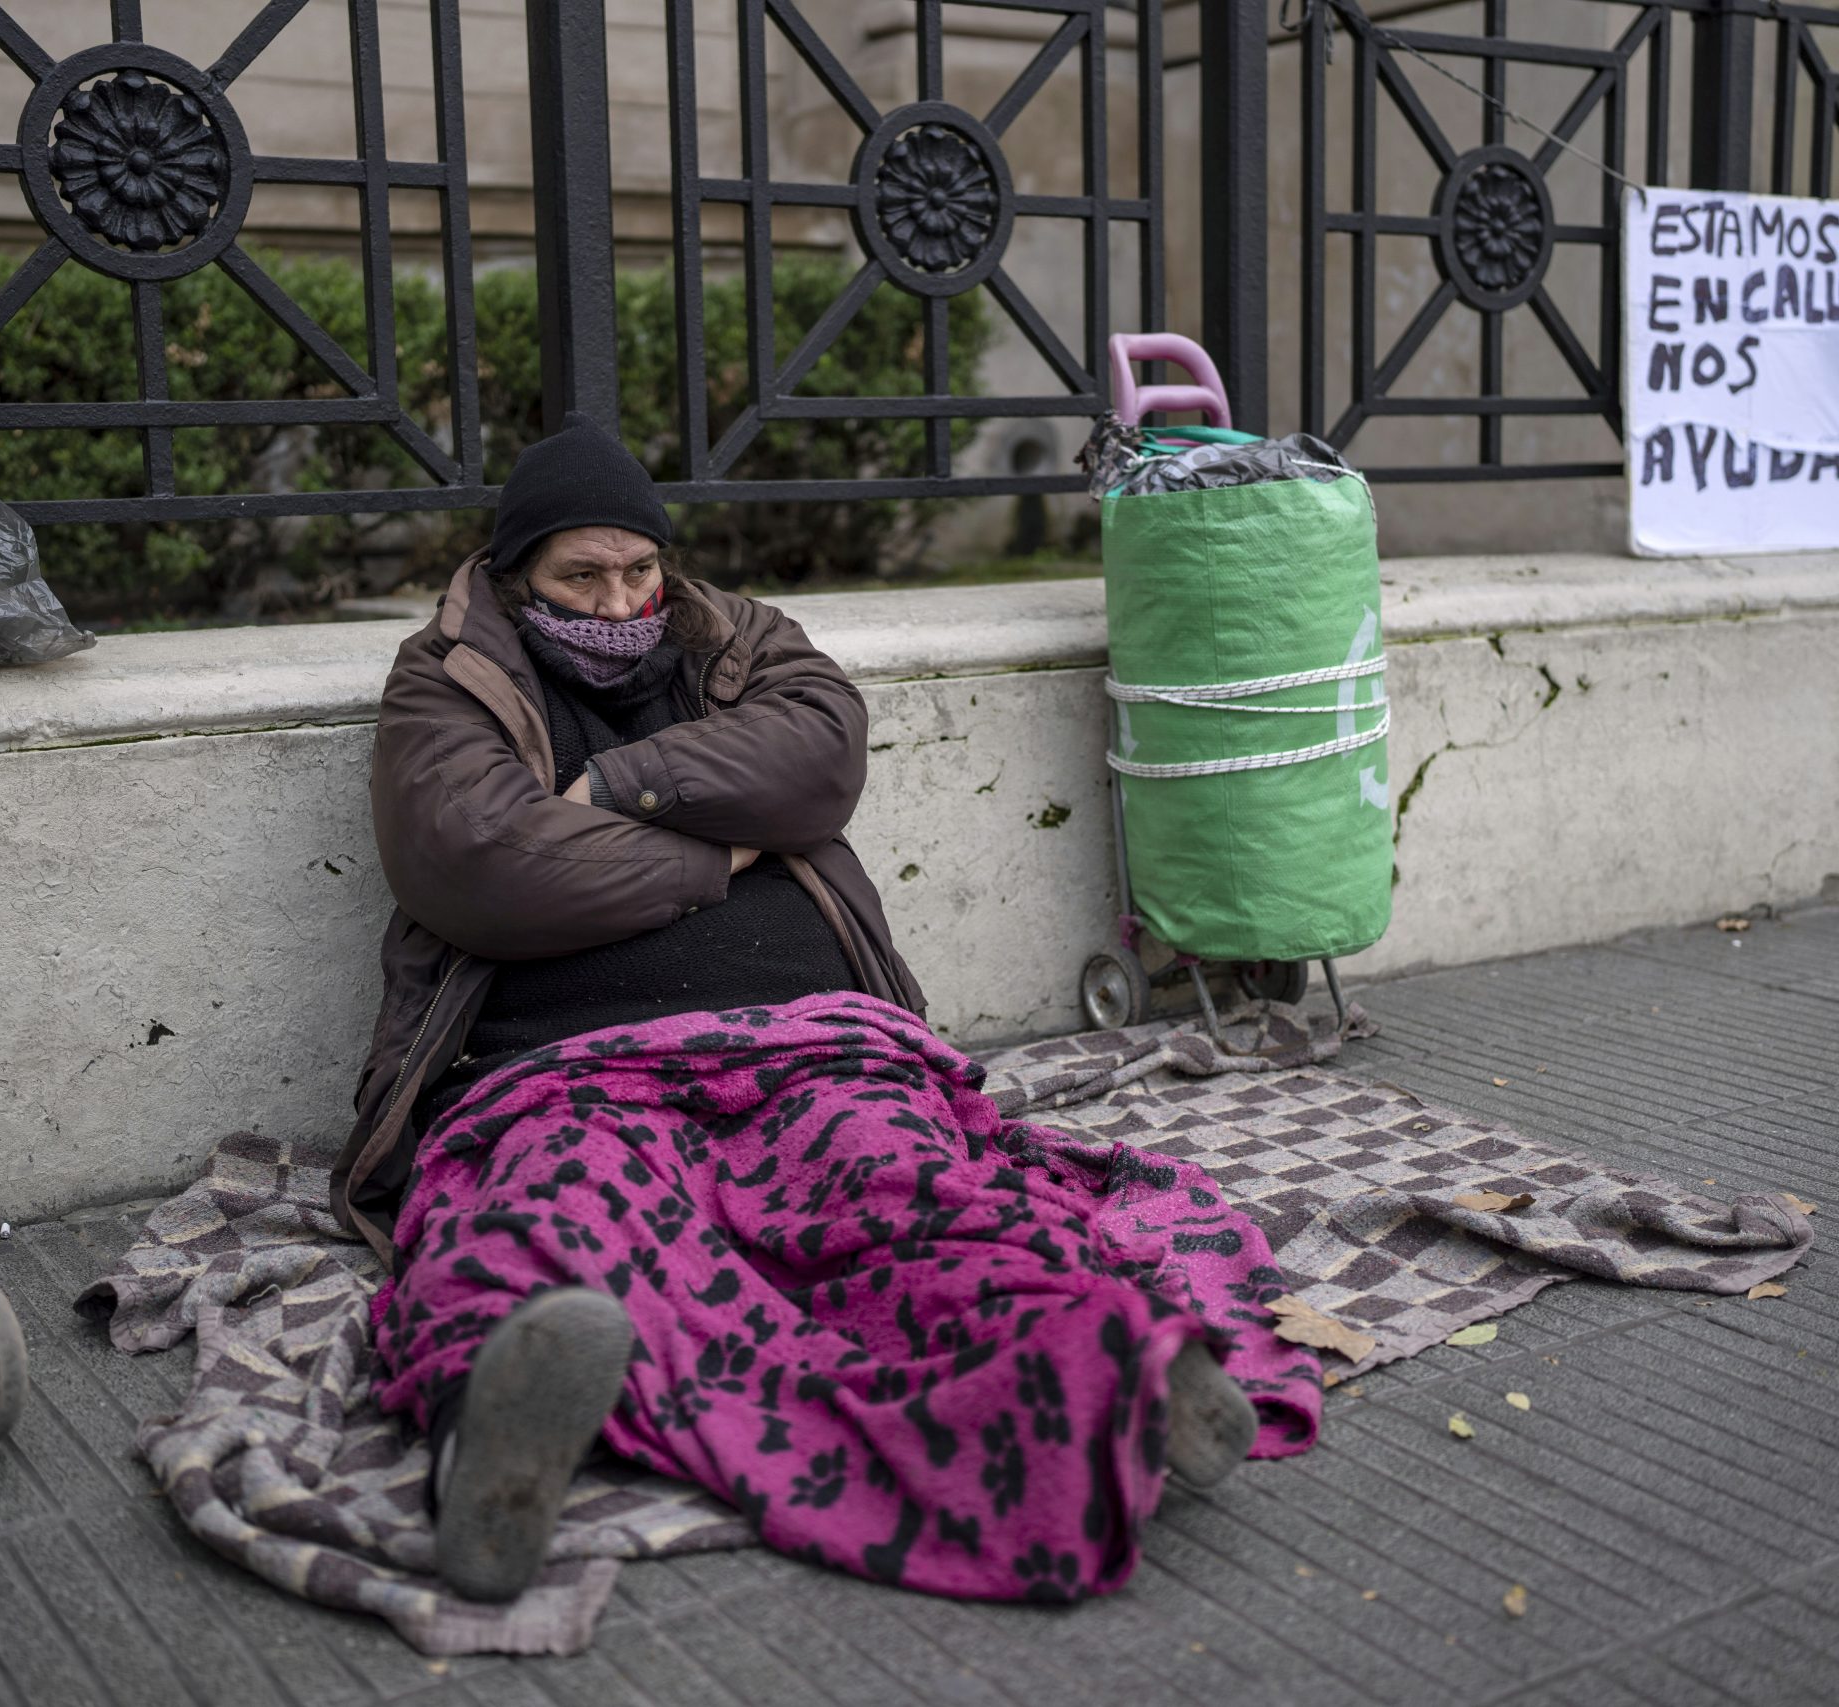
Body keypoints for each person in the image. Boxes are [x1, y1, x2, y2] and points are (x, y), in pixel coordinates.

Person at [333, 415, 1323, 1606]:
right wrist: (723, 853)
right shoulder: (446, 673)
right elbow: (484, 864)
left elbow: (819, 760)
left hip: (816, 1038)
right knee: (552, 1205)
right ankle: (487, 1441)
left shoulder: (737, 633)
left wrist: (616, 786)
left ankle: (1101, 1352)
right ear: (512, 576)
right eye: (578, 578)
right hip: (559, 1061)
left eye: (638, 570)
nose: (616, 603)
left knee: (898, 1184)